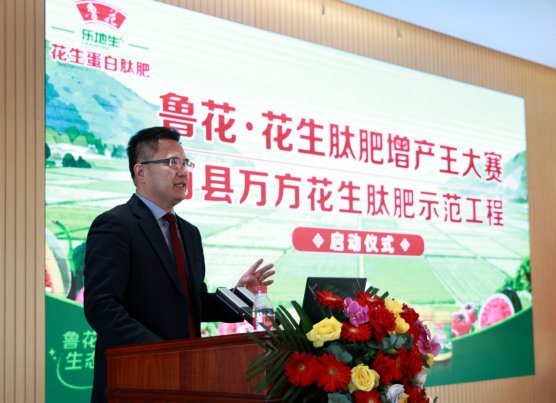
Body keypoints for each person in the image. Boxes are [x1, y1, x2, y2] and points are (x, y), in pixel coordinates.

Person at [83, 127, 275, 403]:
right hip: (136, 380)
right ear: (141, 172)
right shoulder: (116, 225)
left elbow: (193, 302)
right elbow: (101, 306)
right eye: (173, 163)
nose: (183, 171)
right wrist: (162, 353)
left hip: (188, 379)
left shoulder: (189, 232)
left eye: (186, 163)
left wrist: (241, 295)